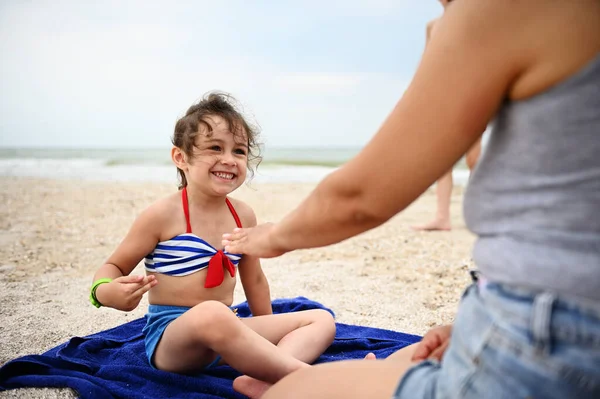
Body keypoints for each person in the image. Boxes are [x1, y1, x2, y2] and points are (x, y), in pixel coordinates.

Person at [222, 0, 600, 397]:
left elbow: (359, 196)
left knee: (289, 391)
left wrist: (272, 237)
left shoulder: (501, 8)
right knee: (402, 358)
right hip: (558, 324)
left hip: (550, 340)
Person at [89, 92, 336, 385]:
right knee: (212, 313)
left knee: (321, 320)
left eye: (239, 151)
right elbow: (113, 267)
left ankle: (270, 377)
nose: (229, 160)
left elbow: (254, 280)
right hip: (174, 341)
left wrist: (266, 329)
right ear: (181, 157)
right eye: (215, 148)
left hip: (228, 331)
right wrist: (106, 292)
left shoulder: (242, 215)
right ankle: (311, 381)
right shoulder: (161, 215)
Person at [413, 9, 482, 232]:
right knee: (443, 160)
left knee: (474, 158)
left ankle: (481, 213)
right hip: (443, 95)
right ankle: (442, 217)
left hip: (472, 93)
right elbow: (428, 64)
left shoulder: (476, 19)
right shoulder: (433, 26)